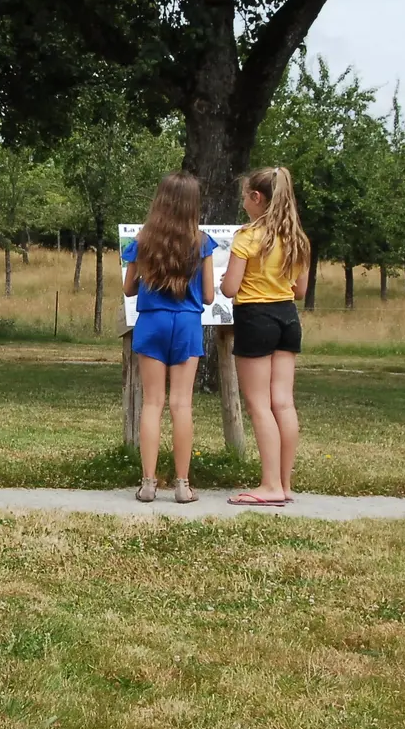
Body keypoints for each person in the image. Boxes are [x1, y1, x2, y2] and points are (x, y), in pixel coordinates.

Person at [122, 172, 217, 503]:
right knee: (181, 404)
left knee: (152, 403)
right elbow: (208, 296)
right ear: (193, 204)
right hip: (187, 323)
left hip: (151, 322)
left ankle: (148, 483)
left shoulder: (143, 240)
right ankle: (182, 485)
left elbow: (128, 288)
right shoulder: (202, 242)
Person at [218, 167, 311, 506]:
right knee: (283, 402)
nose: (244, 203)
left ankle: (269, 485)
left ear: (257, 198)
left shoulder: (247, 237)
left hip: (255, 318)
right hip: (288, 318)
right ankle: (284, 483)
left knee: (258, 404)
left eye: (245, 197)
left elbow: (229, 287)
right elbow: (299, 290)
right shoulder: (298, 239)